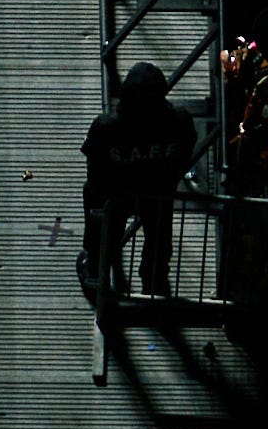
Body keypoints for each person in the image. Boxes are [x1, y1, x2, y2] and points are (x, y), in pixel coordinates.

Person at [80, 61, 197, 296]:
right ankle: (154, 279)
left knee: (102, 228)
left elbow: (94, 166)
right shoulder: (178, 122)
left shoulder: (106, 127)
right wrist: (167, 180)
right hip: (157, 190)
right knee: (158, 238)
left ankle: (96, 270)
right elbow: (185, 154)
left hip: (115, 193)